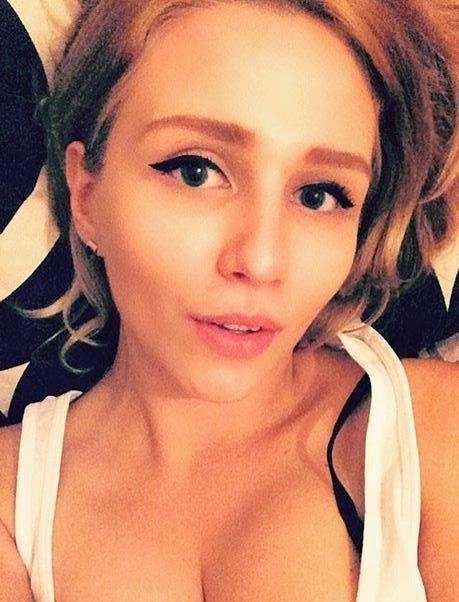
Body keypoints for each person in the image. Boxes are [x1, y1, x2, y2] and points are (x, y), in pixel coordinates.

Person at [0, 0, 457, 600]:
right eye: (195, 171)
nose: (262, 262)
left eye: (320, 195)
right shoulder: (10, 501)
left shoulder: (434, 433)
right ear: (86, 195)